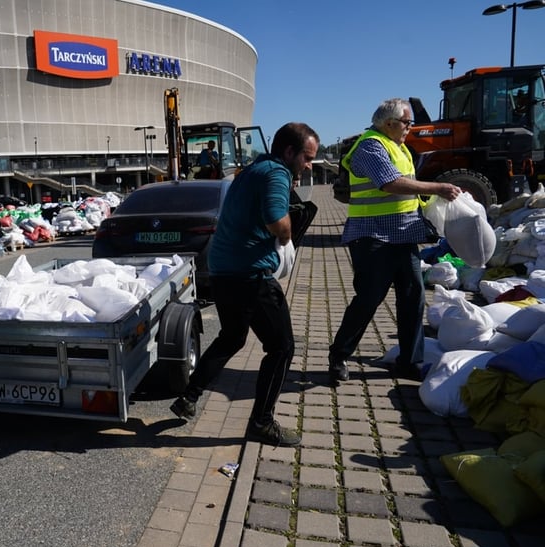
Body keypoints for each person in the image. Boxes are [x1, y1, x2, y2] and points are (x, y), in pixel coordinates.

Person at [169, 122, 320, 447]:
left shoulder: (251, 170)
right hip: (249, 276)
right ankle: (262, 423)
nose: (309, 166)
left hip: (223, 271)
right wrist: (289, 229)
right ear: (290, 152)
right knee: (282, 348)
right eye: (307, 158)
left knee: (232, 337)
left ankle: (189, 396)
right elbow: (277, 223)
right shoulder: (276, 174)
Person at [327, 99, 461, 386]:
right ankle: (338, 355)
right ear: (389, 123)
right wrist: (438, 187)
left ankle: (409, 362)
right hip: (373, 237)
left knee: (413, 296)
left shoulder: (400, 148)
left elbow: (407, 190)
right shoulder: (370, 145)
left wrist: (429, 202)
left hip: (404, 235)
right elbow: (389, 183)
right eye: (406, 123)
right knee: (369, 299)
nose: (410, 128)